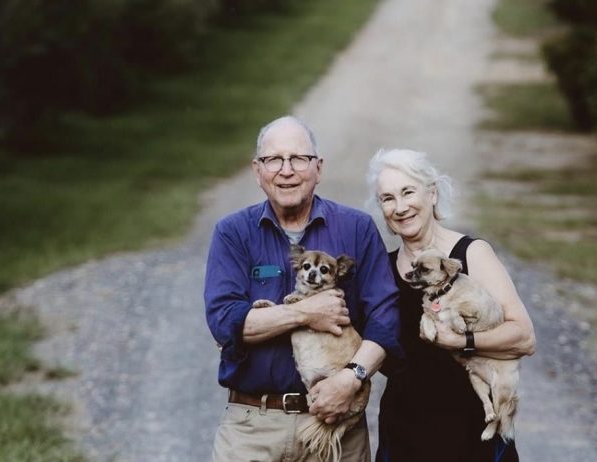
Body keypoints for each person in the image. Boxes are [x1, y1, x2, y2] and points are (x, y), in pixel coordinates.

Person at [204, 116, 403, 462]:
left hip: (336, 423)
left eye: (299, 158)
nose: (286, 170)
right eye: (273, 160)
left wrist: (350, 379)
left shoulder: (356, 229)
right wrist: (304, 313)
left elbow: (385, 322)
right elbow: (225, 322)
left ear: (318, 168)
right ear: (257, 170)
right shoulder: (233, 232)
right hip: (253, 428)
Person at [366, 148, 536, 462]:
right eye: (388, 198)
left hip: (471, 428)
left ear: (432, 193)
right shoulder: (382, 268)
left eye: (408, 192)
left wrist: (461, 341)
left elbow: (524, 337)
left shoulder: (471, 254)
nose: (400, 207)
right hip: (405, 433)